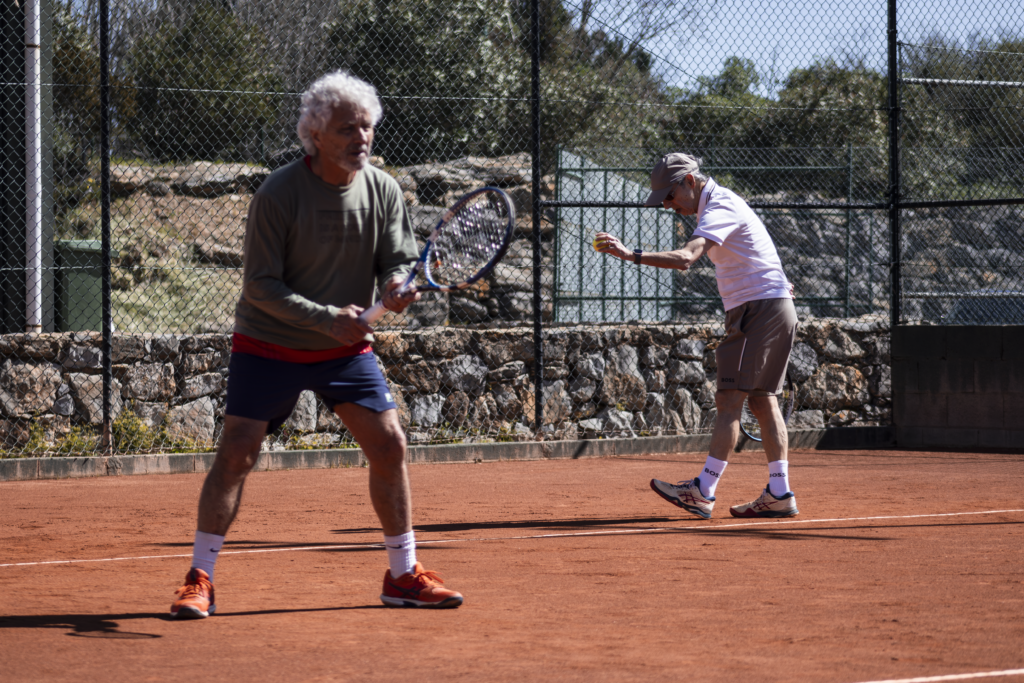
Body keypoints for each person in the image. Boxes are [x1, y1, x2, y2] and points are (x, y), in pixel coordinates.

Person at [170, 71, 463, 619]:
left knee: (390, 444)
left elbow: (396, 260)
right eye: (347, 127)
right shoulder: (278, 193)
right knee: (237, 454)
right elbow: (259, 285)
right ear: (316, 134)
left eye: (367, 127)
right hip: (270, 343)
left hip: (344, 351)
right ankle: (199, 577)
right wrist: (328, 318)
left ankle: (402, 575)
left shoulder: (383, 189)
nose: (361, 138)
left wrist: (396, 286)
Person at [594, 152, 798, 520]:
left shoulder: (719, 204)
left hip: (759, 309)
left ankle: (703, 491)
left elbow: (687, 257)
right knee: (761, 401)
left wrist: (631, 254)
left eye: (670, 196)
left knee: (729, 400)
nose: (668, 206)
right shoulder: (717, 205)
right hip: (769, 306)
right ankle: (780, 493)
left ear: (689, 181)